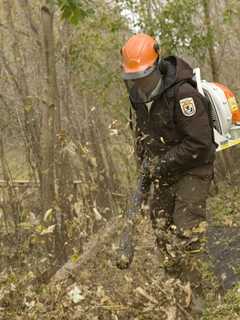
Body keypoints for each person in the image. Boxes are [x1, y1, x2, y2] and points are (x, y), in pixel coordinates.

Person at [120, 33, 216, 285]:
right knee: (161, 226)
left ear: (156, 66)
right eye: (134, 78)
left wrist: (159, 165)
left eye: (143, 76)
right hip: (164, 172)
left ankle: (197, 294)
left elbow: (201, 144)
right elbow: (143, 139)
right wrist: (144, 172)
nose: (139, 83)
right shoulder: (139, 101)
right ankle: (175, 285)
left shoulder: (183, 94)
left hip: (194, 167)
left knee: (187, 228)